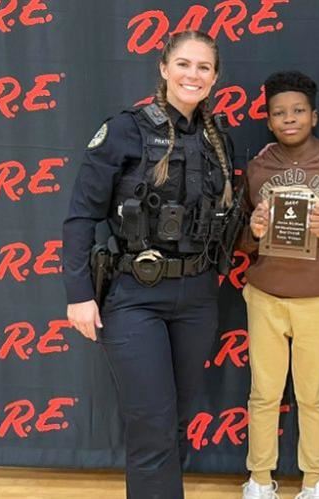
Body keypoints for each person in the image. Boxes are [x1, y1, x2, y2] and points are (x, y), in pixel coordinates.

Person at [62, 30, 239, 499]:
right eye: (183, 64)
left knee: (175, 419)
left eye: (203, 67)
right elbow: (81, 215)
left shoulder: (219, 139)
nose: (192, 75)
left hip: (198, 296)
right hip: (135, 295)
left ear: (215, 77)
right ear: (163, 68)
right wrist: (79, 294)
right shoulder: (125, 130)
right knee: (152, 423)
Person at [238, 71, 319, 499]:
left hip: (317, 299)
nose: (289, 119)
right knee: (263, 393)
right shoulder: (258, 167)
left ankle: (314, 480)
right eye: (279, 113)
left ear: (314, 115)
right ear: (268, 120)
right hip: (265, 296)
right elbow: (237, 237)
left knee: (313, 394)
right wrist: (253, 231)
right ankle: (259, 478)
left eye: (297, 111)